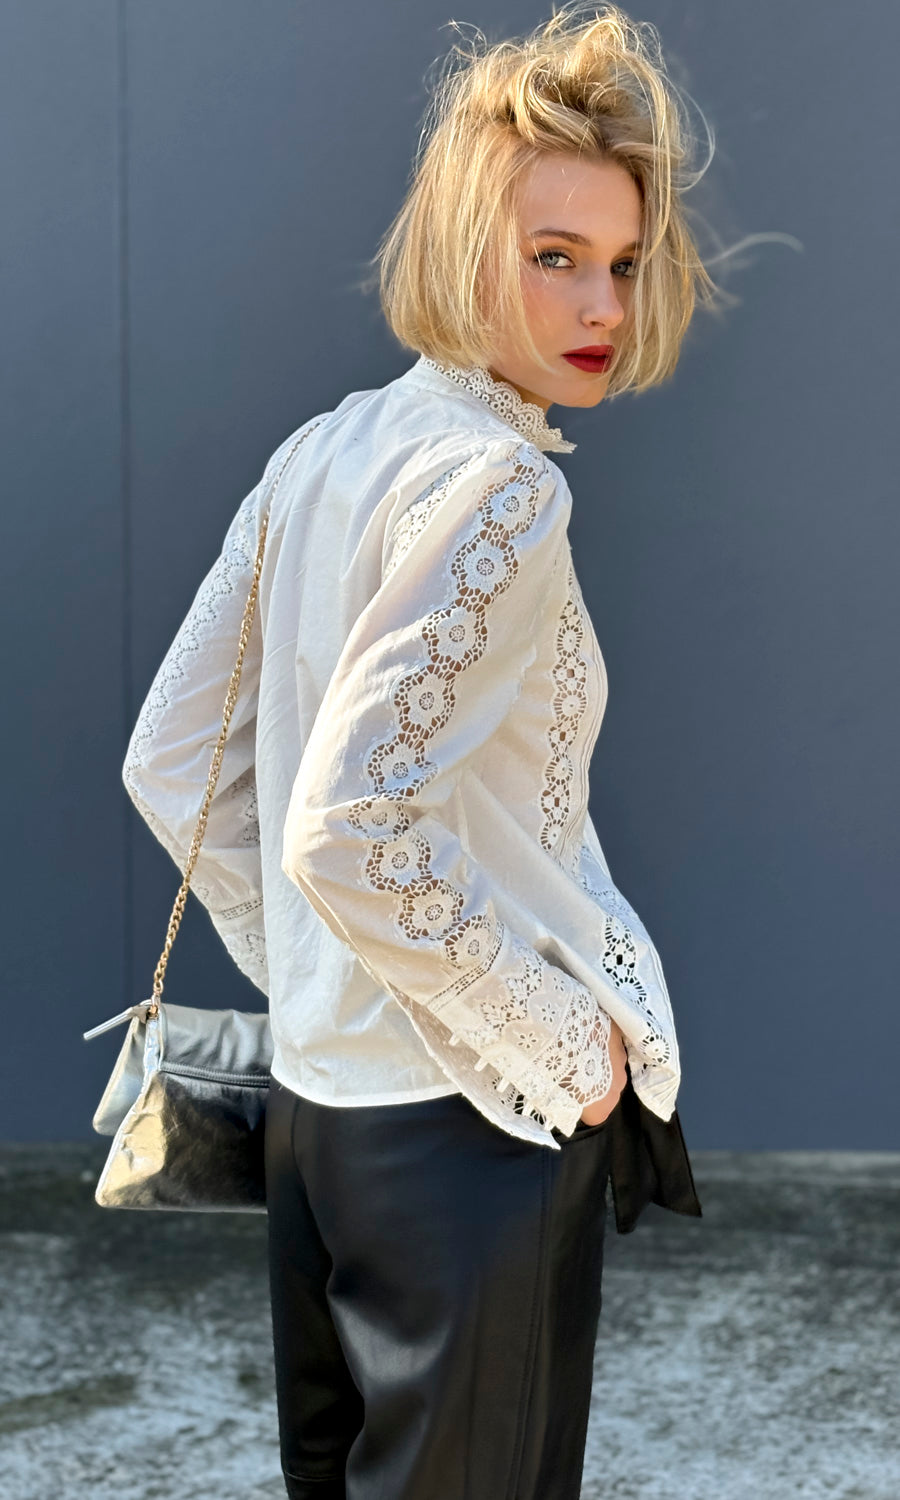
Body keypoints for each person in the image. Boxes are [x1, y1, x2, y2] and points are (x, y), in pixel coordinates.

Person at [121, 5, 716, 1496]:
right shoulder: (503, 486)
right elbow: (348, 827)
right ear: (463, 244)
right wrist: (565, 1047)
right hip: (464, 1141)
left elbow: (173, 761)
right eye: (554, 254)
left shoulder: (321, 449)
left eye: (623, 261)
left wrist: (319, 976)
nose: (601, 302)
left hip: (319, 1120)